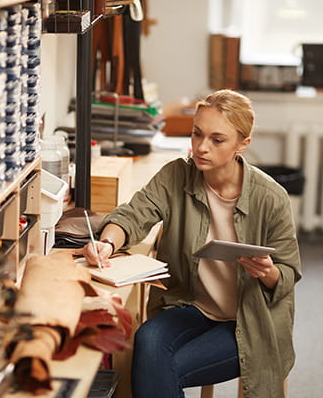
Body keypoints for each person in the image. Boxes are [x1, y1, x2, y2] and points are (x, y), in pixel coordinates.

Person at [82, 89, 302, 398]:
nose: (201, 147)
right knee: (147, 339)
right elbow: (134, 214)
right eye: (196, 134)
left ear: (243, 144)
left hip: (248, 322)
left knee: (159, 367)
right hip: (190, 306)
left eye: (217, 139)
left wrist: (267, 272)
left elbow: (288, 275)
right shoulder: (176, 176)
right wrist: (107, 241)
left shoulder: (271, 197)